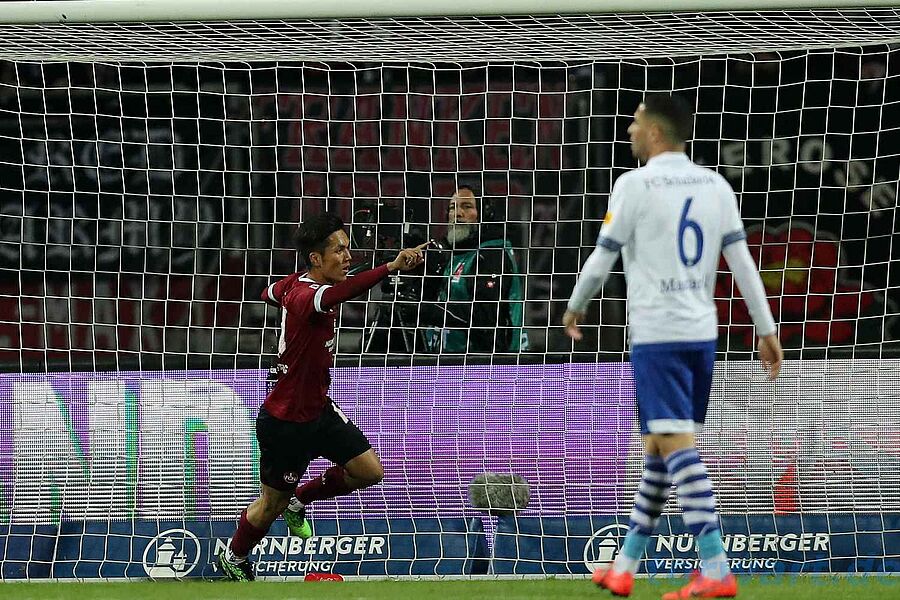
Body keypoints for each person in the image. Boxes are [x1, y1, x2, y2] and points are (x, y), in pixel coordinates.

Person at [563, 94, 783, 599]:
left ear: (656, 132)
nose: (629, 131)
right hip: (702, 334)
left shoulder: (634, 184)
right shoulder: (715, 185)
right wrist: (765, 328)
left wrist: (575, 306)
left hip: (658, 334)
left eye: (636, 123)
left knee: (676, 446)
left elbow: (602, 257)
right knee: (659, 449)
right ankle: (625, 564)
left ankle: (716, 567)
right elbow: (742, 261)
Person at [217, 213, 427, 581]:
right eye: (339, 250)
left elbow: (268, 293)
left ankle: (301, 500)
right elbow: (338, 293)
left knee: (369, 471)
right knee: (270, 505)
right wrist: (390, 267)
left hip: (319, 409)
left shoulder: (292, 286)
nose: (348, 256)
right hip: (286, 422)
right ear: (316, 258)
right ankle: (234, 556)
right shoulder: (305, 295)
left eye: (348, 249)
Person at [422, 185, 527, 354]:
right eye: (452, 207)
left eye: (467, 206)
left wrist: (425, 311)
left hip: (486, 362)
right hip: (450, 359)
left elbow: (483, 316)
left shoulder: (492, 255)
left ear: (484, 214)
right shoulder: (453, 254)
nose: (458, 213)